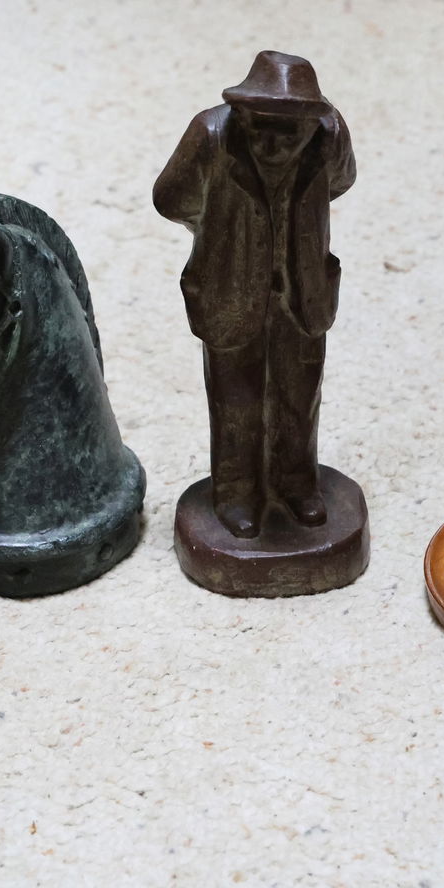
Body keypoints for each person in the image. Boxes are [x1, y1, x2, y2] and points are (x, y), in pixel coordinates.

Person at [154, 51, 354, 539]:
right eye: (261, 126)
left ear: (313, 121)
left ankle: (296, 484)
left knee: (299, 394)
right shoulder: (211, 133)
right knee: (235, 399)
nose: (274, 143)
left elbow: (342, 181)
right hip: (229, 291)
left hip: (302, 290)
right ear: (240, 113)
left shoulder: (329, 133)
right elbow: (172, 197)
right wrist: (222, 236)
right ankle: (236, 493)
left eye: (291, 130)